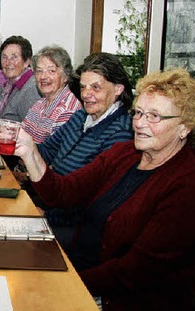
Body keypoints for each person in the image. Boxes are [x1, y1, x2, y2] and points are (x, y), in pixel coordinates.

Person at [15, 68, 195, 310]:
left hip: (124, 299)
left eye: (154, 116)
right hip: (84, 272)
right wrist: (30, 154)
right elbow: (65, 192)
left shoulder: (191, 184)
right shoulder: (127, 153)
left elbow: (134, 272)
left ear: (185, 127)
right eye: (138, 113)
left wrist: (63, 283)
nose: (139, 123)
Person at [23, 52, 135, 246]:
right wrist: (22, 144)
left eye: (95, 87)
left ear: (118, 89)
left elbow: (93, 201)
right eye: (83, 87)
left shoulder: (121, 135)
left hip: (74, 227)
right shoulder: (81, 115)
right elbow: (46, 150)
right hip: (47, 199)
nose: (85, 94)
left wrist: (47, 216)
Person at [21, 45, 82, 143]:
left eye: (51, 71)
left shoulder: (67, 111)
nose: (43, 77)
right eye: (39, 71)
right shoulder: (40, 104)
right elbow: (21, 136)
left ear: (65, 76)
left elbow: (54, 155)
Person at [0, 35, 40, 122]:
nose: (8, 62)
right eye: (4, 57)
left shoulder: (31, 89)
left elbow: (31, 131)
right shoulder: (9, 84)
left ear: (27, 61)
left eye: (14, 57)